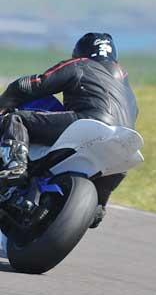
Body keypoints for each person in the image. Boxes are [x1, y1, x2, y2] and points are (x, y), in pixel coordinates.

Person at [0, 32, 139, 227]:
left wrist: (4, 104)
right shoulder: (126, 86)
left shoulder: (80, 64)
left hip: (87, 123)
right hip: (124, 142)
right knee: (110, 177)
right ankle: (97, 207)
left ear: (80, 52)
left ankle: (16, 165)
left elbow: (31, 84)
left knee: (15, 120)